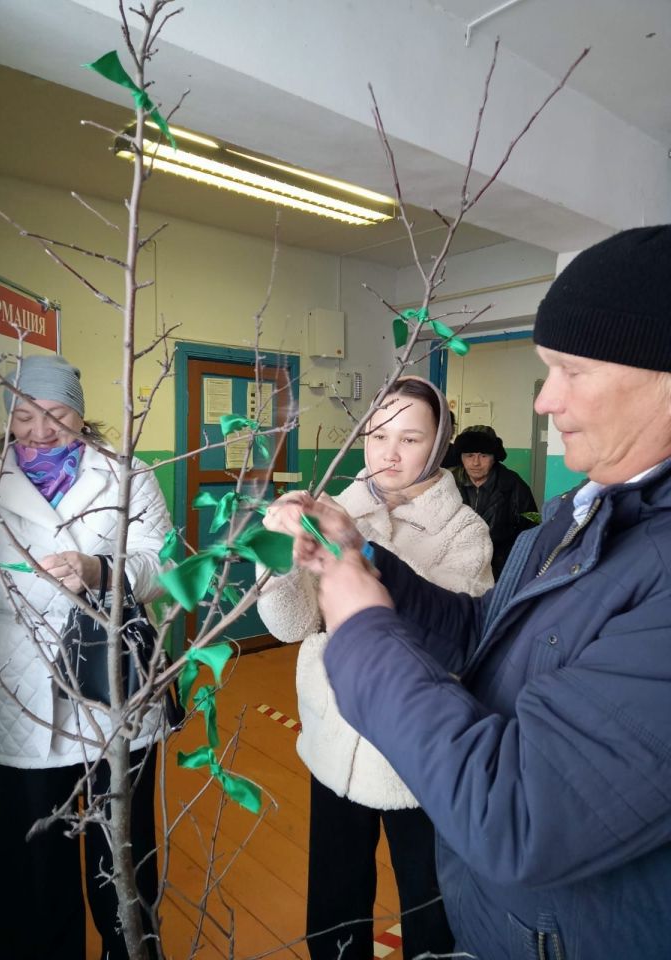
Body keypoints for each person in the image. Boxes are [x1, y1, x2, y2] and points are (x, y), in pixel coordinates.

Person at [269, 225, 671, 960]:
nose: (545, 401)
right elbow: (483, 629)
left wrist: (360, 621)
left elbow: (520, 813)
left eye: (571, 371)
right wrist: (364, 563)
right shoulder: (581, 513)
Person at [259, 376, 493, 959]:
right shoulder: (338, 506)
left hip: (416, 754)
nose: (389, 452)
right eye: (378, 434)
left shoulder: (465, 533)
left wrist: (357, 550)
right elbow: (289, 626)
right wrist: (278, 562)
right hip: (335, 740)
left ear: (438, 445)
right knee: (335, 904)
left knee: (429, 904)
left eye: (410, 438)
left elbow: (454, 645)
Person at [0, 355, 170, 960]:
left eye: (56, 413)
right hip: (26, 682)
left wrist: (102, 570)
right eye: (23, 415)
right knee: (35, 856)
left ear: (82, 411)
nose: (40, 430)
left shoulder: (128, 477)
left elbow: (165, 571)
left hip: (110, 677)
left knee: (121, 852)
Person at [451, 424, 538, 578]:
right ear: (461, 456)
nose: (476, 463)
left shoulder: (514, 485)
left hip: (499, 569)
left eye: (483, 456)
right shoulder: (448, 483)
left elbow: (533, 526)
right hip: (454, 567)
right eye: (469, 455)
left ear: (494, 457)